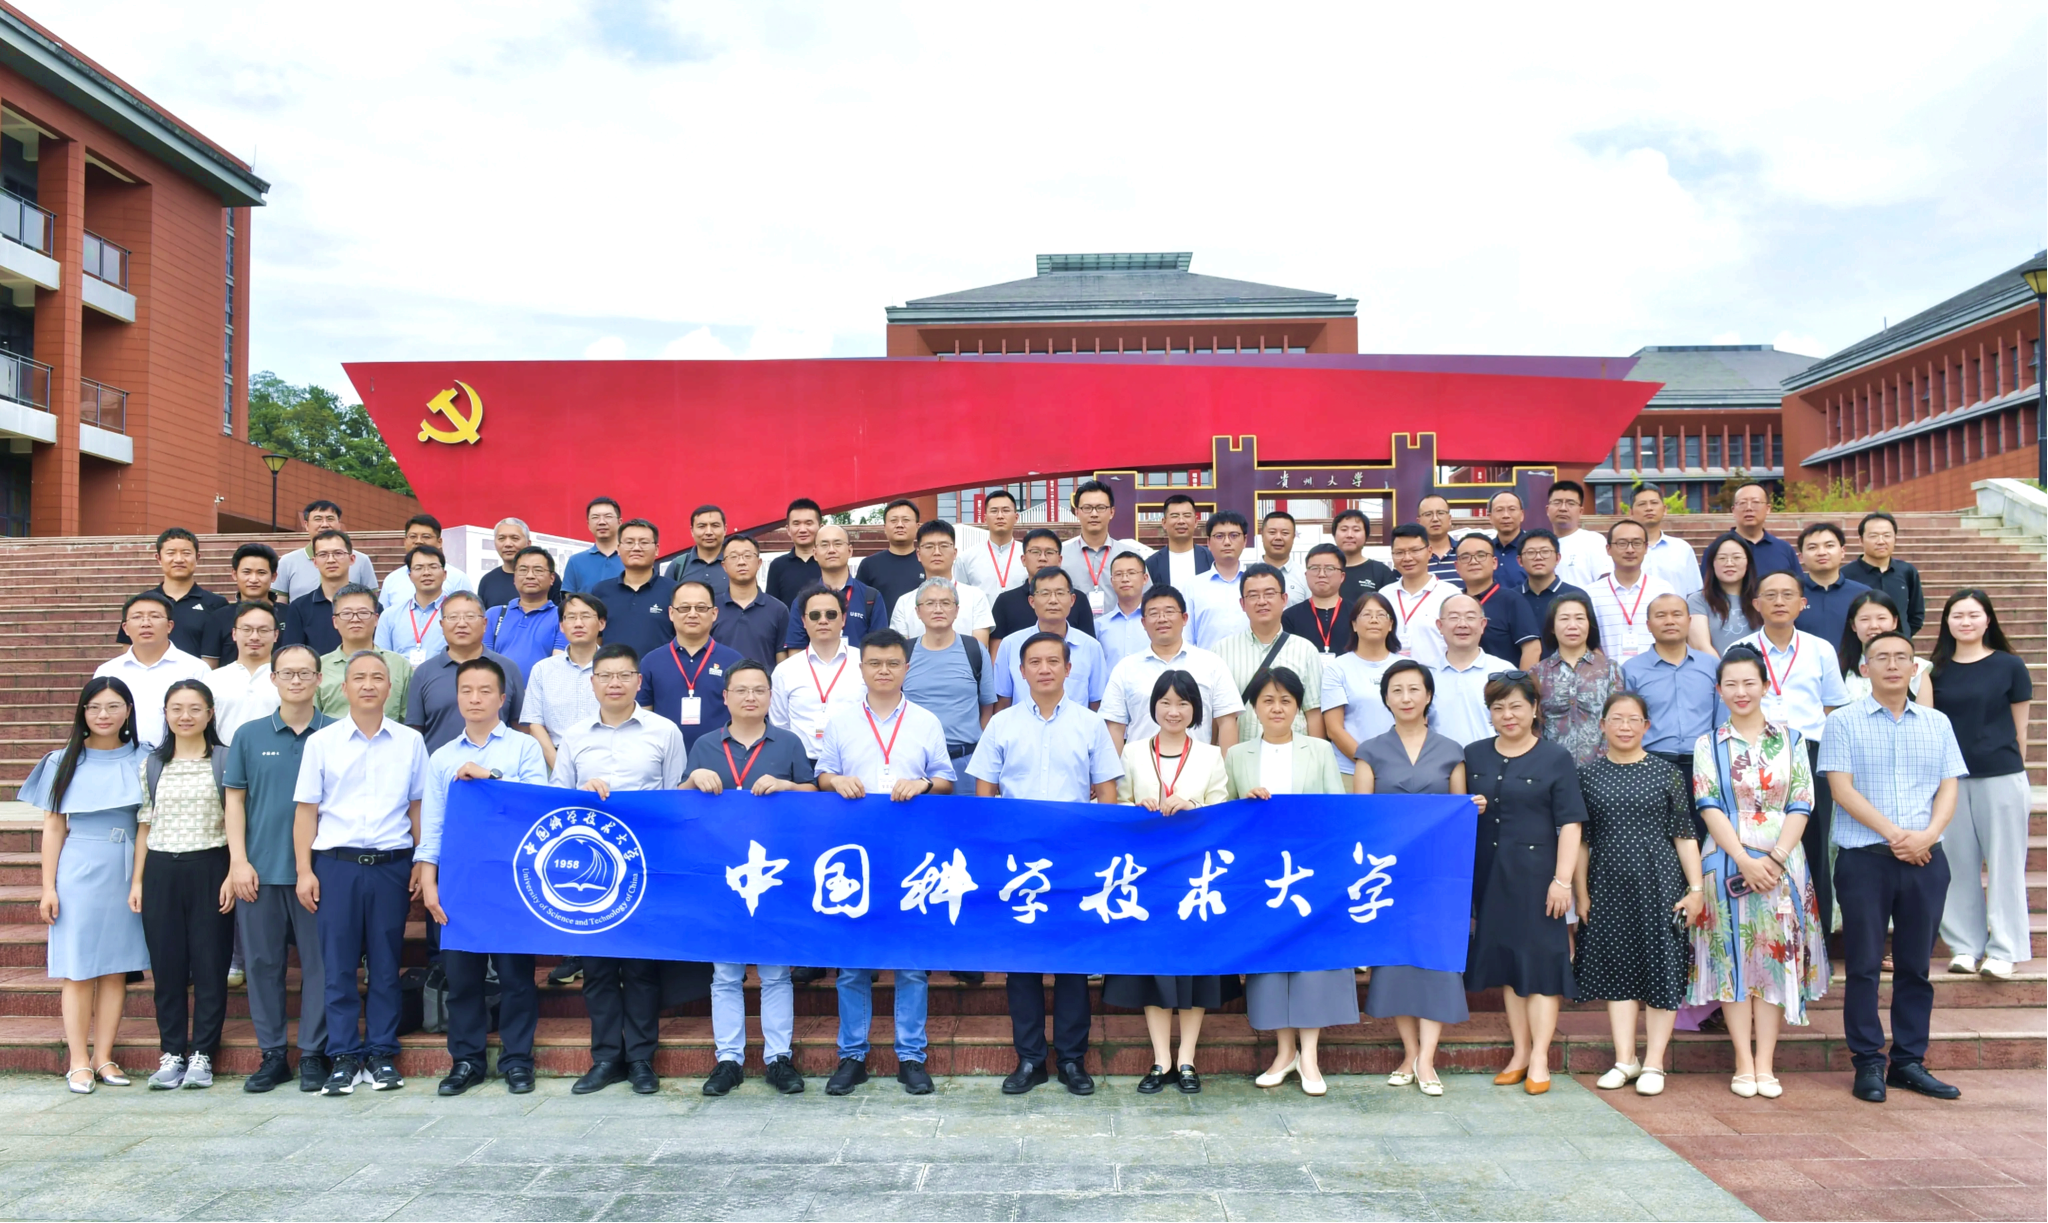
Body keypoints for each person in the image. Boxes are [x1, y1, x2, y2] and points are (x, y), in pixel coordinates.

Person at [967, 631, 1123, 1098]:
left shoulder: (1090, 724)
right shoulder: (1002, 724)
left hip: (1074, 859)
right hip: (1018, 860)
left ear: (1069, 669)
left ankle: (1072, 1059)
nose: (1044, 669)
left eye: (1053, 661)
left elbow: (1107, 792)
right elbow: (985, 792)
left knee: (1072, 962)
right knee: (1023, 963)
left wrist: (1097, 851)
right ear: (1021, 671)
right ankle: (1031, 1059)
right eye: (1034, 662)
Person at [1820, 630, 1967, 1104]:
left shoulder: (1937, 723)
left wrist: (1927, 835)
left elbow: (1949, 786)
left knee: (1915, 966)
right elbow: (1841, 789)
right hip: (1866, 860)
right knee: (1863, 966)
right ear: (1864, 668)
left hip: (1927, 859)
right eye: (1881, 657)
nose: (1892, 665)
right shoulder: (1843, 721)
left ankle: (1908, 1062)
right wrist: (1897, 836)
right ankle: (1867, 1061)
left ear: (1914, 668)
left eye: (1902, 657)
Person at [814, 629, 955, 1097]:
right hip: (855, 854)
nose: (883, 671)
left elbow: (946, 779)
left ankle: (911, 1056)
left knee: (910, 960)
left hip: (910, 853)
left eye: (893, 663)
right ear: (862, 669)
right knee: (853, 960)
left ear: (906, 669)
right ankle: (852, 1056)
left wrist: (924, 785)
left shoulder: (926, 721)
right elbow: (821, 774)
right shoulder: (841, 721)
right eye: (875, 663)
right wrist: (835, 781)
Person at [551, 643, 689, 1095]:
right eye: (606, 676)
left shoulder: (664, 731)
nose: (615, 683)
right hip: (591, 869)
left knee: (641, 967)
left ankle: (642, 1059)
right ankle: (607, 1057)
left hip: (644, 865)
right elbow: (557, 802)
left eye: (624, 675)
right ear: (592, 683)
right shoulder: (574, 736)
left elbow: (675, 798)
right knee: (598, 967)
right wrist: (581, 794)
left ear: (638, 681)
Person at [1690, 646, 1827, 1099]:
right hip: (1726, 859)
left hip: (1784, 862)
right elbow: (1708, 804)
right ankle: (1742, 1062)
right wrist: (1745, 860)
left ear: (1766, 686)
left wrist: (1776, 857)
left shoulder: (1792, 739)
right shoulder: (1708, 744)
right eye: (1731, 684)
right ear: (1719, 690)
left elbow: (1802, 801)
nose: (1741, 691)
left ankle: (1765, 1063)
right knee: (1732, 961)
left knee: (1772, 960)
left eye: (1749, 682)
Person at [294, 650, 430, 1095]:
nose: (368, 685)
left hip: (391, 865)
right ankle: (344, 1056)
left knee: (386, 965)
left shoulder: (410, 741)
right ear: (344, 687)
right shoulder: (322, 742)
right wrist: (304, 870)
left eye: (377, 677)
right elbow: (306, 812)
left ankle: (381, 1053)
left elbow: (418, 807)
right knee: (338, 967)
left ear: (390, 687)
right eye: (359, 678)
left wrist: (421, 859)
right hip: (336, 866)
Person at [414, 657, 549, 1097]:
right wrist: (429, 880)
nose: (475, 698)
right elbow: (434, 823)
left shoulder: (523, 748)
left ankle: (517, 1060)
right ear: (457, 697)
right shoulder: (442, 757)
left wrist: (491, 777)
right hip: (461, 877)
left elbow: (536, 804)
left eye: (485, 690)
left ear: (502, 698)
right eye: (467, 690)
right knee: (462, 977)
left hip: (513, 876)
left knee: (515, 977)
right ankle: (466, 1061)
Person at [685, 659, 816, 1098]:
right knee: (726, 973)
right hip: (723, 873)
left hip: (776, 872)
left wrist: (789, 787)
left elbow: (815, 795)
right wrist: (693, 779)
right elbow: (681, 802)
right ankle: (729, 1060)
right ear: (725, 697)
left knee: (776, 971)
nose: (750, 697)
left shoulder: (789, 742)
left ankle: (778, 1058)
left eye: (759, 689)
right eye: (741, 690)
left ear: (770, 696)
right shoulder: (705, 745)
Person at [1106, 669, 1234, 1094]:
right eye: (1165, 702)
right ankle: (1161, 1060)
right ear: (1154, 707)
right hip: (1148, 877)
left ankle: (1187, 1059)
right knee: (1154, 969)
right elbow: (1118, 805)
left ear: (1195, 708)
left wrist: (1194, 804)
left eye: (1182, 703)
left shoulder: (1211, 755)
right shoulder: (1133, 752)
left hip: (1195, 877)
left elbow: (1222, 811)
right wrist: (1136, 807)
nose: (1173, 711)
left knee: (1195, 968)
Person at [1227, 667, 1352, 1097]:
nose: (1276, 708)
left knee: (1311, 961)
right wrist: (1244, 804)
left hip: (1310, 871)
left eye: (1285, 700)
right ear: (1254, 708)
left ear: (1298, 707)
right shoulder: (1237, 755)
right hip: (1260, 875)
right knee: (1270, 963)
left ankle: (1310, 1055)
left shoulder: (1319, 750)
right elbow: (1224, 815)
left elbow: (1337, 810)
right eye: (1267, 700)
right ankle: (1284, 1052)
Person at [1572, 693, 1702, 1099]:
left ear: (1647, 726)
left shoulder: (1667, 773)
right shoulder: (1587, 776)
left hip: (1660, 884)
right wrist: (1581, 894)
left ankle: (1654, 1062)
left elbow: (1685, 834)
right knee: (1618, 969)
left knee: (1660, 967)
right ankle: (1624, 1059)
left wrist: (1696, 890)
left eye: (1633, 719)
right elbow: (1581, 841)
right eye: (1616, 718)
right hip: (1607, 885)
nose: (1625, 726)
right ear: (1602, 725)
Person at [1465, 672, 1586, 1096]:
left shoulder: (1555, 757)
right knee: (1509, 967)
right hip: (1490, 876)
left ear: (1534, 708)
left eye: (1516, 706)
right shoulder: (1474, 754)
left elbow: (1571, 824)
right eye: (1498, 708)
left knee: (1542, 967)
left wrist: (1562, 881)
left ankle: (1540, 1058)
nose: (1507, 715)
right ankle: (1519, 1053)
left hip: (1540, 880)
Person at [1355, 660, 1472, 1097]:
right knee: (1396, 963)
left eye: (1414, 689)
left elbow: (1459, 814)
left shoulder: (1451, 750)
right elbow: (1363, 816)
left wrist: (1472, 807)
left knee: (1436, 959)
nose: (1406, 698)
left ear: (1428, 696)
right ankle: (1409, 1052)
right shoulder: (1369, 751)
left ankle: (1427, 1058)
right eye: (1397, 690)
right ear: (1386, 699)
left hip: (1438, 874)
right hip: (1388, 873)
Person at [27, 678, 149, 1095]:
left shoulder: (145, 758)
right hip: (78, 867)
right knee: (78, 968)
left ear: (128, 711)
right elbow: (53, 827)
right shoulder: (62, 761)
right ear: (82, 712)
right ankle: (78, 1059)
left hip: (126, 866)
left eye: (113, 706)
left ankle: (104, 1056)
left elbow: (147, 822)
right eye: (94, 707)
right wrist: (48, 887)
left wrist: (139, 879)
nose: (103, 715)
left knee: (116, 967)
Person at [222, 644, 332, 1093]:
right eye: (287, 673)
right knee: (263, 964)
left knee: (320, 966)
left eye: (305, 673)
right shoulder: (248, 735)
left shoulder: (336, 733)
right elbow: (234, 801)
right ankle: (272, 1054)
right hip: (260, 871)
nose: (296, 680)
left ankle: (313, 1053)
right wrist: (238, 861)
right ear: (273, 679)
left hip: (320, 873)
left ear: (319, 679)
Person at [132, 679, 232, 1091]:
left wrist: (233, 872)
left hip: (211, 865)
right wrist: (138, 880)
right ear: (165, 714)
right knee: (167, 965)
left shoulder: (225, 759)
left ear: (210, 713)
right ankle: (172, 1052)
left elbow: (237, 820)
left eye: (194, 708)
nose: (185, 716)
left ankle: (203, 1053)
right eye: (176, 708)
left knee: (210, 963)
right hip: (161, 869)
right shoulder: (153, 764)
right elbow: (145, 823)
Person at [1930, 590, 2034, 981]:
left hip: (2002, 777)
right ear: (1947, 621)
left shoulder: (2010, 666)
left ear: (1988, 619)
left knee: (2005, 864)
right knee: (1957, 865)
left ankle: (2005, 950)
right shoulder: (1934, 671)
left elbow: (2021, 731)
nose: (1966, 621)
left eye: (1974, 614)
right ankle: (1964, 947)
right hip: (1952, 781)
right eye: (1958, 615)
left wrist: (2014, 772)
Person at [1744, 570, 1850, 943]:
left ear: (1802, 604)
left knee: (1816, 845)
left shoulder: (1820, 649)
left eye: (1788, 595)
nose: (1779, 601)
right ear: (1756, 604)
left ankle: (1816, 943)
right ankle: (1766, 938)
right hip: (1756, 755)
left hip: (1810, 753)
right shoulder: (1741, 650)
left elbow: (1834, 705)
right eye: (1770, 595)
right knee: (1761, 840)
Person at [1100, 586, 1243, 752]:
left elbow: (1226, 721)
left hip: (1199, 764)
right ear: (1143, 623)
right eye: (1154, 613)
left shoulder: (1211, 664)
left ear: (1184, 618)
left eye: (1169, 612)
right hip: (1140, 765)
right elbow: (1115, 727)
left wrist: (1226, 767)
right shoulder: (1125, 668)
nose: (1162, 619)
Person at [1623, 593, 1724, 806]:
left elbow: (1721, 719)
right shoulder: (1631, 670)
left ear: (1689, 621)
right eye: (1661, 616)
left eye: (1677, 614)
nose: (1669, 621)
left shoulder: (1712, 666)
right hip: (1649, 765)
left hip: (1704, 765)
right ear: (1648, 625)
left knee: (1704, 824)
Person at [1212, 564, 1325, 743]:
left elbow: (1313, 712)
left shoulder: (1306, 650)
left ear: (1284, 599)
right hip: (1240, 755)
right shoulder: (1221, 651)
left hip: (1294, 754)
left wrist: (1316, 755)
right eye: (1253, 595)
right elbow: (1215, 716)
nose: (1262, 601)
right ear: (1242, 604)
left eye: (1269, 594)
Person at [406, 591, 526, 752]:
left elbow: (520, 726)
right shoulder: (424, 672)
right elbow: (414, 731)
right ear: (442, 625)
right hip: (439, 766)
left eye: (470, 616)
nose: (461, 624)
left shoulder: (507, 669)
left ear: (484, 623)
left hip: (496, 765)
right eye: (453, 617)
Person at [900, 577, 996, 778]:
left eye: (945, 603)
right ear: (917, 611)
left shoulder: (975, 650)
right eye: (930, 603)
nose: (938, 609)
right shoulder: (903, 654)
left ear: (957, 610)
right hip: (915, 762)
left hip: (966, 762)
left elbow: (987, 705)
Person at [96, 592, 211, 748]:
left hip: (178, 756)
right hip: (123, 755)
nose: (146, 623)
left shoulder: (195, 669)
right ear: (125, 628)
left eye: (155, 616)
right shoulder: (108, 671)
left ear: (170, 626)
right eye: (137, 617)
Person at [638, 579, 744, 748]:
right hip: (664, 754)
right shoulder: (651, 662)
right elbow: (643, 717)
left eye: (701, 608)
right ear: (671, 613)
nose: (693, 614)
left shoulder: (734, 661)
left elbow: (743, 716)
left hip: (721, 755)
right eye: (684, 608)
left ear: (714, 613)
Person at [770, 584, 871, 759]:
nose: (823, 621)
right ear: (804, 621)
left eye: (831, 614)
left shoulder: (865, 663)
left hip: (855, 761)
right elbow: (780, 726)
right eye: (815, 615)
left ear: (843, 619)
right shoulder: (785, 671)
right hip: (801, 764)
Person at [995, 567, 1109, 711]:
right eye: (1045, 593)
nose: (1053, 600)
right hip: (1022, 725)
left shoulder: (1091, 647)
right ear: (1031, 601)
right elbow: (1003, 702)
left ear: (1072, 600)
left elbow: (1096, 703)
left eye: (1060, 593)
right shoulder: (1010, 645)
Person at [1534, 592, 1628, 766]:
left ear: (1589, 625)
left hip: (1603, 768)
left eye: (1579, 618)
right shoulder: (1537, 673)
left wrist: (1603, 763)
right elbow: (1534, 726)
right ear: (1552, 627)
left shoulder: (1609, 669)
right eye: (1564, 619)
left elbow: (1618, 718)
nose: (1572, 626)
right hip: (1550, 768)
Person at [523, 592, 605, 774]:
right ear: (561, 625)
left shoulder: (616, 669)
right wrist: (560, 768)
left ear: (601, 623)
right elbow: (535, 724)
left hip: (606, 761)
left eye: (586, 616)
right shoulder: (542, 669)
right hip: (554, 761)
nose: (578, 623)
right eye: (571, 617)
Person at [115, 528, 228, 660]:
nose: (179, 559)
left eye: (186, 553)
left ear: (197, 557)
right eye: (171, 553)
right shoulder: (141, 604)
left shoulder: (216, 604)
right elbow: (128, 650)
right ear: (158, 558)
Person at [1322, 593, 1400, 778]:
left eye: (1381, 615)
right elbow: (1334, 729)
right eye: (1366, 614)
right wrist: (1368, 764)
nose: (1374, 620)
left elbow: (1420, 722)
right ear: (1354, 625)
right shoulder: (1337, 668)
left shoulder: (1406, 667)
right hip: (1350, 770)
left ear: (1390, 624)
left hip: (1399, 769)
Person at [1426, 594, 1516, 747]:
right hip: (1441, 760)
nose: (1462, 624)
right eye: (1454, 617)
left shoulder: (1504, 672)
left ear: (1482, 624)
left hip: (1493, 759)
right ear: (1440, 626)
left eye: (1470, 617)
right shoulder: (1427, 675)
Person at [779, 524, 883, 656]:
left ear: (850, 551)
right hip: (814, 669)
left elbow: (880, 648)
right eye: (824, 545)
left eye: (838, 544)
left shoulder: (871, 597)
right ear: (815, 553)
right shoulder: (803, 600)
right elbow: (796, 651)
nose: (831, 550)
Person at [1585, 519, 1678, 665]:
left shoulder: (1663, 590)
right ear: (1608, 549)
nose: (1630, 550)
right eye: (1622, 543)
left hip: (1654, 672)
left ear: (1646, 548)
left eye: (1637, 543)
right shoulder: (1590, 594)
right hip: (1607, 674)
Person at [888, 520, 995, 644]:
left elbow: (979, 649)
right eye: (929, 547)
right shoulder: (904, 602)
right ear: (918, 554)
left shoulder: (976, 597)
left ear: (955, 553)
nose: (937, 552)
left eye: (944, 546)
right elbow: (900, 651)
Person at [316, 585, 413, 720]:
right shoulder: (319, 667)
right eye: (346, 613)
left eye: (363, 613)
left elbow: (408, 718)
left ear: (376, 619)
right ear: (335, 621)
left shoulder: (399, 665)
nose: (355, 619)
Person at [590, 519, 679, 661]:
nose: (636, 548)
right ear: (618, 549)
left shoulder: (674, 591)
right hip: (612, 673)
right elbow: (595, 639)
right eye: (629, 542)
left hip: (659, 672)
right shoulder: (601, 591)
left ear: (656, 549)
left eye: (644, 542)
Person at [1062, 480, 1152, 616]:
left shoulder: (1130, 555)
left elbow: (1148, 599)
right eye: (1087, 508)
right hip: (1075, 628)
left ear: (1111, 512)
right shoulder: (1062, 557)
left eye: (1100, 508)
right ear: (1077, 512)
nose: (1094, 514)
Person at [994, 528, 1096, 644]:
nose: (1042, 558)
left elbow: (1088, 645)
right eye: (1035, 552)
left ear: (1060, 560)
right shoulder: (1005, 601)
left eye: (1049, 552)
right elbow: (997, 651)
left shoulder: (1077, 599)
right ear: (1023, 559)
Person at [1454, 533, 1540, 668]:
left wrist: (1521, 680)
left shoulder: (1512, 601)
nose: (1473, 561)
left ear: (1494, 563)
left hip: (1502, 680)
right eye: (1465, 557)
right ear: (1457, 567)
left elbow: (1532, 648)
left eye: (1481, 555)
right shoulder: (1453, 603)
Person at [482, 546, 569, 676]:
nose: (530, 576)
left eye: (538, 570)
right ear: (514, 577)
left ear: (552, 578)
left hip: (542, 688)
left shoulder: (563, 617)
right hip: (500, 688)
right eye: (523, 570)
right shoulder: (494, 614)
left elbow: (558, 665)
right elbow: (484, 663)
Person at [1838, 592, 1931, 706]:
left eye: (1881, 618)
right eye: (1864, 619)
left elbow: (1926, 714)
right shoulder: (1840, 667)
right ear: (1853, 625)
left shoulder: (1916, 667)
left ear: (1894, 622)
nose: (1874, 626)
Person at [711, 534, 789, 667]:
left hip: (763, 681)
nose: (741, 562)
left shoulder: (778, 610)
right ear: (724, 566)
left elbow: (782, 663)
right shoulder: (711, 608)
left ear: (759, 563)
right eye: (734, 557)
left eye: (747, 556)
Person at [199, 542, 283, 665]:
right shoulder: (219, 617)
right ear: (234, 574)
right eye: (247, 572)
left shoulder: (290, 614)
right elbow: (210, 664)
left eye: (261, 573)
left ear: (274, 576)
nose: (253, 579)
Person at [1843, 511, 1923, 637]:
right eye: (1873, 536)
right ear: (1861, 540)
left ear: (1895, 538)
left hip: (1898, 644)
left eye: (1887, 535)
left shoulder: (1907, 571)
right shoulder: (1846, 574)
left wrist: (1902, 636)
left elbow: (1916, 615)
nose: (1881, 541)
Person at [1792, 523, 1872, 650]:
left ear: (1842, 551)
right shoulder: (1790, 594)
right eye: (1812, 547)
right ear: (1801, 557)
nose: (1821, 552)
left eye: (1829, 546)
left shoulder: (1863, 594)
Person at [279, 529, 357, 657]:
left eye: (338, 553)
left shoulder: (369, 605)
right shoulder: (299, 607)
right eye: (323, 554)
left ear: (352, 559)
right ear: (315, 562)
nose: (331, 560)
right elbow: (292, 656)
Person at [209, 602, 280, 743]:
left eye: (263, 630)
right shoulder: (213, 679)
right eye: (247, 629)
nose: (254, 637)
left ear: (275, 635)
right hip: (224, 754)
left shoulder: (288, 679)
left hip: (275, 753)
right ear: (234, 634)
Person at [275, 500, 375, 600]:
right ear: (306, 525)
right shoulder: (287, 562)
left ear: (339, 523)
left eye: (330, 519)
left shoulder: (361, 560)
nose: (325, 525)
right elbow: (280, 604)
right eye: (318, 519)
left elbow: (371, 601)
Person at [1386, 524, 1455, 666]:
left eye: (1415, 550)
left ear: (1429, 552)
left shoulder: (1450, 595)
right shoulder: (1384, 595)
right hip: (1392, 677)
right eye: (1399, 552)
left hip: (1438, 676)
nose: (1407, 558)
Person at [374, 546, 454, 665]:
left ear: (444, 574)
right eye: (419, 568)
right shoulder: (390, 616)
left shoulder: (457, 615)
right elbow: (380, 660)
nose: (426, 573)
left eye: (433, 567)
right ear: (410, 576)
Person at [1186, 510, 1254, 649]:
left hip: (1253, 662)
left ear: (1245, 541)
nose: (1227, 542)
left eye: (1234, 535)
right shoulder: (1192, 587)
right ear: (1209, 542)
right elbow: (1186, 639)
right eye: (1219, 536)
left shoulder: (1256, 583)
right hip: (1207, 662)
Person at [376, 514, 474, 610]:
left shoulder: (458, 578)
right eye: (413, 536)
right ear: (405, 541)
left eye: (426, 537)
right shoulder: (392, 579)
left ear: (439, 542)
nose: (418, 541)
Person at [1688, 533, 1763, 654]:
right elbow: (1700, 646)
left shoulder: (1762, 598)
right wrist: (1725, 666)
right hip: (1715, 666)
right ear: (1712, 563)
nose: (1729, 563)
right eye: (1722, 558)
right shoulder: (1698, 600)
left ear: (1748, 562)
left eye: (1736, 557)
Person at [849, 498, 922, 614]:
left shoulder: (927, 562)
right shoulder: (869, 565)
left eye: (906, 520)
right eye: (893, 521)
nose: (900, 525)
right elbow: (858, 605)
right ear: (885, 528)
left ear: (917, 526)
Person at [1282, 543, 1354, 657]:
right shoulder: (1289, 617)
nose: (1321, 574)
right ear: (1306, 575)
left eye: (1329, 568)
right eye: (1314, 568)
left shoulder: (1357, 614)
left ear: (1342, 576)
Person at [1630, 485, 1702, 596]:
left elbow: (1694, 592)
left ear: (1664, 509)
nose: (1649, 508)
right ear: (1631, 512)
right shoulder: (1623, 550)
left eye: (1654, 503)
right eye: (1642, 504)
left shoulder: (1682, 548)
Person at [476, 518, 560, 609]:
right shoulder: (487, 581)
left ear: (528, 543)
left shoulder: (546, 578)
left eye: (515, 538)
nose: (508, 544)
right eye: (501, 538)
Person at [1514, 529, 1584, 629]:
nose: (1538, 557)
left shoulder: (1576, 595)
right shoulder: (1510, 598)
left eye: (1545, 551)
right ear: (1520, 561)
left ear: (1557, 558)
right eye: (1530, 552)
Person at [1729, 482, 1801, 579]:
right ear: (1733, 510)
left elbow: (1797, 585)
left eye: (1756, 502)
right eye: (1742, 503)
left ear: (1768, 509)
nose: (1749, 508)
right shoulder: (1719, 548)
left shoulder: (1784, 549)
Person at [666, 503, 733, 606]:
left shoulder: (736, 563)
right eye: (702, 526)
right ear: (692, 531)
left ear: (725, 529)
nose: (709, 532)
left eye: (715, 525)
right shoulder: (678, 566)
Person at [1095, 550, 1152, 670]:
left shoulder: (1156, 621)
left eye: (1131, 573)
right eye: (1119, 574)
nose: (1125, 579)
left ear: (1145, 578)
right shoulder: (1099, 626)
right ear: (1112, 581)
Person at [1546, 481, 1607, 589]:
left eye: (1571, 503)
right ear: (1547, 510)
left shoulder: (1594, 541)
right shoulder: (1540, 544)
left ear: (1581, 511)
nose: (1563, 508)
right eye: (1557, 502)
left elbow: (1605, 582)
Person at [765, 497, 825, 607]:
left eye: (808, 523)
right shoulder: (777, 566)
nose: (802, 530)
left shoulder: (829, 562)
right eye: (796, 523)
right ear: (788, 529)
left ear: (821, 527)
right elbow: (771, 608)